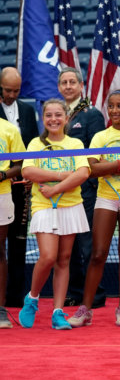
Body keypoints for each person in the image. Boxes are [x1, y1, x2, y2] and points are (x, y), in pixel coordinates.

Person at [67, 90, 120, 328]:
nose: (115, 111)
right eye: (111, 106)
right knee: (97, 254)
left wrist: (111, 166)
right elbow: (93, 170)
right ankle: (86, 309)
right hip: (105, 198)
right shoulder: (100, 137)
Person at [18, 99, 90, 330]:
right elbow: (28, 170)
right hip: (44, 206)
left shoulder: (75, 143)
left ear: (66, 118)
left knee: (64, 259)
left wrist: (55, 188)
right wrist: (61, 175)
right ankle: (32, 298)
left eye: (58, 115)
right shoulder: (35, 144)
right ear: (43, 118)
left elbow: (82, 173)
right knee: (48, 257)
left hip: (70, 205)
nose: (54, 119)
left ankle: (58, 312)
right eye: (49, 115)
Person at [59, 68, 106, 309]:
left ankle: (94, 294)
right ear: (59, 87)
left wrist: (89, 184)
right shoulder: (58, 115)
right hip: (64, 189)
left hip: (86, 189)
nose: (68, 86)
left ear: (80, 85)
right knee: (71, 243)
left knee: (88, 244)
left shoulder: (92, 115)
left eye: (72, 82)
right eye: (64, 82)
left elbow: (96, 154)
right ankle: (76, 292)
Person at [0, 67, 38, 309]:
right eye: (7, 90)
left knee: (19, 241)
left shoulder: (27, 110)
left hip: (19, 185)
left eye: (16, 91)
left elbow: (31, 147)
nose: (12, 95)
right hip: (5, 184)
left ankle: (14, 296)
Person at [0, 115, 25, 327]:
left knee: (0, 250)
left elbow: (20, 165)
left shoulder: (9, 129)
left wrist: (2, 174)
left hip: (2, 195)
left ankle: (0, 310)